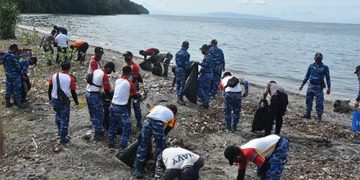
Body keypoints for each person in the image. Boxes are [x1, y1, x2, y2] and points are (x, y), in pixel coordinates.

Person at [134, 104, 178, 178]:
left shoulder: (158, 107)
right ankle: (156, 170)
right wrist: (159, 138)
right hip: (158, 123)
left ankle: (138, 170)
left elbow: (147, 116)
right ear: (174, 112)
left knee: (143, 145)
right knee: (160, 148)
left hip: (147, 121)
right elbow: (167, 130)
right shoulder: (172, 116)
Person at [224, 134, 290, 179]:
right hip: (270, 148)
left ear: (237, 156)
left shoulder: (248, 152)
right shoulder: (241, 156)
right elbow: (241, 173)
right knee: (259, 174)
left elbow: (265, 165)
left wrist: (262, 176)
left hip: (280, 144)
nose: (236, 162)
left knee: (272, 172)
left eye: (235, 160)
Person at [108, 66, 141, 150]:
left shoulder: (118, 81)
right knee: (127, 127)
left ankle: (110, 142)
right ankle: (123, 147)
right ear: (130, 73)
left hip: (112, 105)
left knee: (113, 124)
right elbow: (135, 96)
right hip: (121, 107)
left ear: (122, 72)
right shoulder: (130, 83)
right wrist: (140, 95)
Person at [48, 62, 79, 145]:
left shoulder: (54, 76)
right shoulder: (70, 78)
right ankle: (63, 139)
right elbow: (73, 92)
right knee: (64, 119)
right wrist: (76, 102)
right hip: (64, 101)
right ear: (69, 68)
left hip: (55, 99)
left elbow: (50, 88)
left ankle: (59, 132)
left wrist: (50, 99)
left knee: (58, 116)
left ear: (61, 67)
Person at [85, 62, 115, 140]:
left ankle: (95, 129)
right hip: (94, 95)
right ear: (108, 68)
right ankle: (97, 134)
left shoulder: (97, 70)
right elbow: (107, 90)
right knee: (99, 114)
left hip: (87, 92)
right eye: (111, 70)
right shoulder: (104, 75)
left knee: (92, 113)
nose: (110, 72)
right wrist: (113, 99)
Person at [299, 53, 331, 121]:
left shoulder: (325, 67)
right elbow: (307, 76)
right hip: (310, 86)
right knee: (308, 101)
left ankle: (319, 117)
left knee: (319, 102)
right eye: (316, 57)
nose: (317, 59)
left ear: (322, 59)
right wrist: (302, 85)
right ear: (314, 58)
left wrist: (329, 88)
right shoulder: (311, 66)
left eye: (319, 58)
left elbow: (328, 78)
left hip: (319, 87)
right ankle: (308, 114)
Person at [123, 51, 143, 130]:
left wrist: (131, 90)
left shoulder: (134, 67)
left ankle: (139, 122)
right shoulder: (125, 65)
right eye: (125, 57)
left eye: (127, 57)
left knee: (136, 106)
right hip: (127, 86)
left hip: (134, 87)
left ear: (131, 57)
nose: (125, 58)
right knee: (127, 105)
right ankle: (128, 121)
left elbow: (134, 79)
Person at [3, 44, 24, 108]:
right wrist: (21, 74)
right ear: (13, 49)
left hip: (8, 74)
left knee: (8, 88)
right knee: (17, 89)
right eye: (16, 50)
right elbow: (18, 66)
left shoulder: (5, 55)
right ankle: (19, 104)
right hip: (15, 75)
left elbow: (4, 65)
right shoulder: (13, 56)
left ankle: (7, 103)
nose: (16, 51)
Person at [175, 41, 192, 105]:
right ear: (187, 46)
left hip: (177, 68)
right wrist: (191, 63)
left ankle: (177, 95)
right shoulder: (187, 54)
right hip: (182, 70)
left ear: (181, 45)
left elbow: (176, 61)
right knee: (182, 84)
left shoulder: (177, 53)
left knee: (178, 82)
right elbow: (186, 65)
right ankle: (180, 97)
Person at [197, 44, 213, 108]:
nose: (201, 51)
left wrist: (199, 63)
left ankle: (205, 101)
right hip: (205, 74)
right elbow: (204, 67)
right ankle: (205, 102)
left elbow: (206, 65)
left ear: (205, 49)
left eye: (202, 50)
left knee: (199, 87)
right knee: (206, 89)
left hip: (207, 75)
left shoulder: (209, 56)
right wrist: (199, 72)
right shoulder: (206, 56)